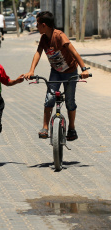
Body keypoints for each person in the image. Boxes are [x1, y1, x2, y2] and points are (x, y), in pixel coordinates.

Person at [23, 11, 90, 141]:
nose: (36, 27)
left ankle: (71, 128)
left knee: (70, 101)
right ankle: (45, 127)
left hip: (70, 71)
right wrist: (31, 71)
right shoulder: (43, 39)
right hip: (55, 72)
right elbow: (38, 53)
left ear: (44, 25)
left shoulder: (59, 35)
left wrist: (84, 69)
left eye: (37, 24)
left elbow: (73, 51)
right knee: (49, 98)